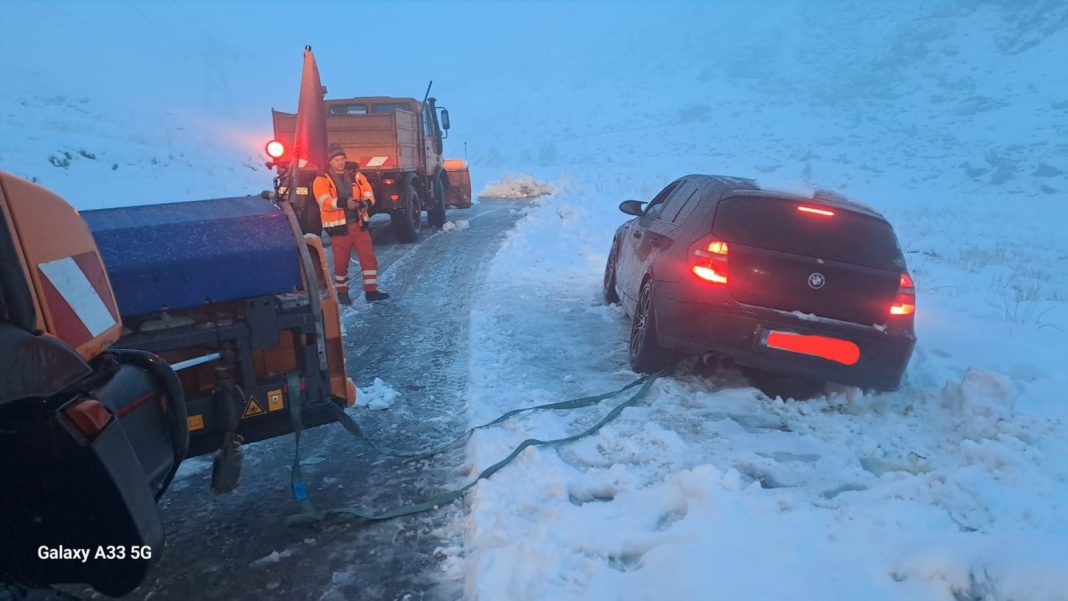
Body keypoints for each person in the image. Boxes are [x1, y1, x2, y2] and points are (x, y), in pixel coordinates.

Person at [312, 146, 390, 303]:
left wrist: (365, 203)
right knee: (341, 263)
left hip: (359, 225)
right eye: (336, 160)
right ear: (330, 162)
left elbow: (369, 193)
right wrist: (344, 202)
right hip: (339, 229)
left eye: (342, 159)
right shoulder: (321, 179)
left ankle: (371, 291)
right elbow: (324, 201)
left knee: (369, 259)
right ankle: (342, 293)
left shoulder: (356, 175)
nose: (340, 163)